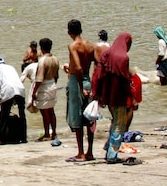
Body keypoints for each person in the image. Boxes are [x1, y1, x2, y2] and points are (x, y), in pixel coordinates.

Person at [92, 33, 135, 163]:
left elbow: (97, 75)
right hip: (120, 96)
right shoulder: (123, 57)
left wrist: (97, 94)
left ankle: (108, 146)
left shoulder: (106, 54)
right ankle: (112, 154)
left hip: (108, 95)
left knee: (115, 121)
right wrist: (132, 97)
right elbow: (125, 79)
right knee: (119, 125)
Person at [65, 19, 96, 163]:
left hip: (76, 82)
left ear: (69, 32)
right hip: (88, 80)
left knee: (77, 116)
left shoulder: (73, 45)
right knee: (90, 117)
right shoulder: (90, 45)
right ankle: (90, 151)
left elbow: (77, 67)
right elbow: (98, 64)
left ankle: (80, 153)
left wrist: (80, 86)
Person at [0, 57, 26, 144]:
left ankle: (0, 139)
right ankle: (23, 137)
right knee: (22, 113)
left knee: (4, 114)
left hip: (8, 89)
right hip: (20, 88)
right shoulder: (10, 67)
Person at [32, 38, 60, 141]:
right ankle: (54, 133)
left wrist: (34, 92)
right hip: (53, 84)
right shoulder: (55, 59)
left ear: (41, 47)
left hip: (44, 85)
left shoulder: (42, 60)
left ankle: (47, 133)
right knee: (51, 110)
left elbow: (39, 79)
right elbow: (57, 75)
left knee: (44, 112)